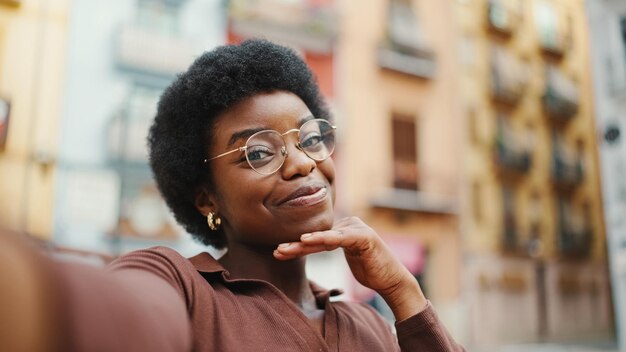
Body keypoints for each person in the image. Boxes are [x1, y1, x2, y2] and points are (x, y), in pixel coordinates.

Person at [0, 39, 464, 352]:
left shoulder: (370, 329)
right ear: (206, 199)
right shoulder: (180, 288)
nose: (303, 163)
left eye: (310, 139)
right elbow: (107, 316)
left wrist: (405, 293)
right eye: (259, 152)